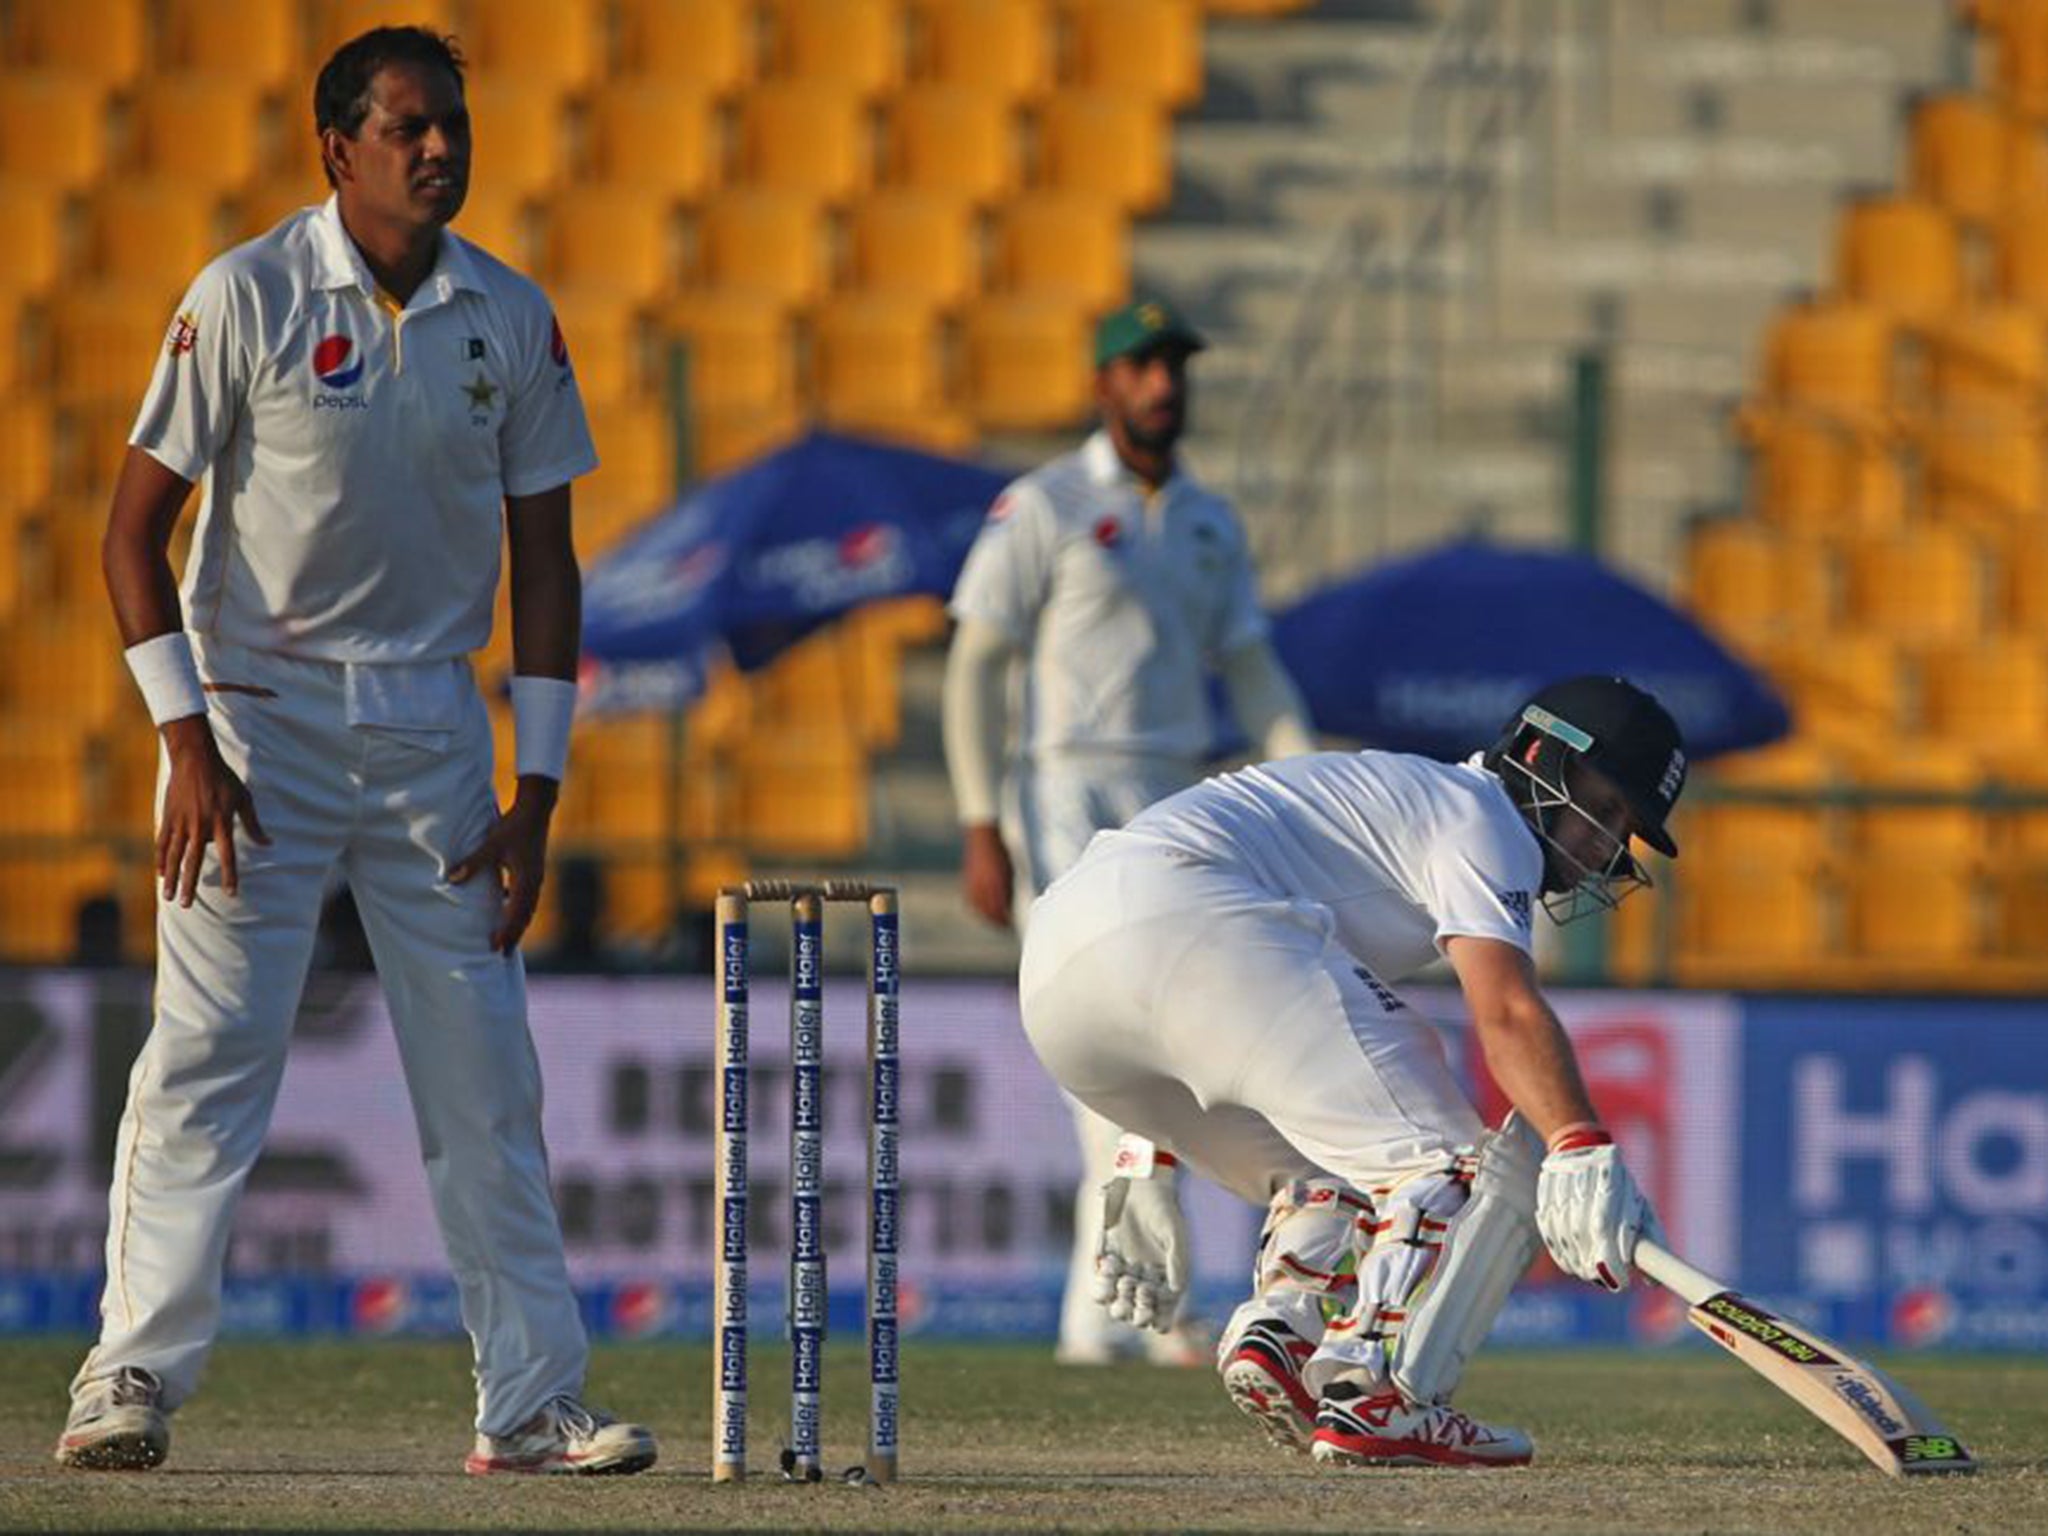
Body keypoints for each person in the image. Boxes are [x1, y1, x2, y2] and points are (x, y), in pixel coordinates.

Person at [55, 28, 655, 1477]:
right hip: (255, 718)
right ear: (339, 149)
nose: (438, 147)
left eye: (450, 123)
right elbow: (132, 533)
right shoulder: (247, 293)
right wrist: (184, 737)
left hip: (434, 727)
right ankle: (126, 1376)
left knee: (483, 1079)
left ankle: (528, 1405)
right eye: (407, 128)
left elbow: (549, 561)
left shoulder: (508, 314)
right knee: (207, 1054)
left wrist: (542, 788)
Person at [1017, 675, 1686, 1465]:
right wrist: (1579, 1146)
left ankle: (1285, 1331)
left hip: (1059, 974)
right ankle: (1374, 1392)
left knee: (1337, 1156)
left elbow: (1170, 976)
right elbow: (1505, 1013)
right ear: (1538, 756)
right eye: (1603, 811)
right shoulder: (1483, 817)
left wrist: (1146, 1156)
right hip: (1182, 918)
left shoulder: (1398, 806)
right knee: (1456, 1164)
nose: (1607, 848)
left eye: (1624, 830)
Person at [943, 297, 1316, 1366]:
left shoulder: (1206, 520)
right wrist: (980, 821)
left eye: (1174, 366)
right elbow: (974, 664)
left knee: (1157, 1061)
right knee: (1100, 1051)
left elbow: (1251, 671)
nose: (1162, 383)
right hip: (1060, 794)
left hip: (1172, 798)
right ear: (1103, 382)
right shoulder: (1044, 505)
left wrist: (1311, 789)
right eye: (1141, 365)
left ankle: (1108, 1320)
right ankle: (1135, 1315)